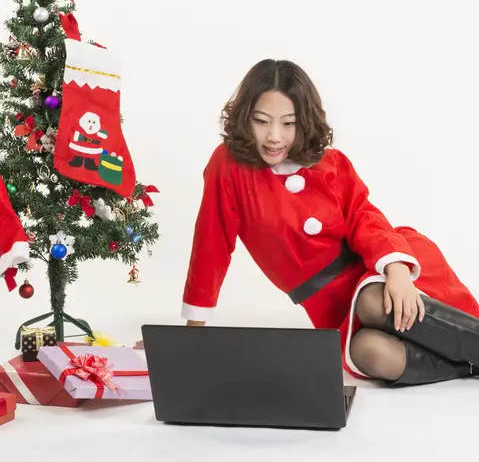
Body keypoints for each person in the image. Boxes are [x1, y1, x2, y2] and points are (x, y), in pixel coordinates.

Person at [146, 59, 479, 385]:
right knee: (369, 353)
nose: (274, 136)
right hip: (330, 307)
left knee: (370, 301)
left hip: (382, 273)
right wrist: (190, 339)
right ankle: (469, 366)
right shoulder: (228, 166)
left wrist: (396, 271)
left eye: (288, 124)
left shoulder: (331, 163)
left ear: (304, 121)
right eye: (262, 121)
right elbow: (211, 245)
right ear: (245, 117)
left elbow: (365, 216)